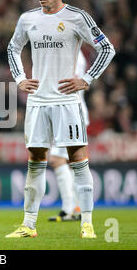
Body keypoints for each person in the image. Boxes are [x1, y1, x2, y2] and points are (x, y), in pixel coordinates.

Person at [5, 0, 115, 239]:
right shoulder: (28, 19)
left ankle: (87, 223)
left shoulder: (77, 17)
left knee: (78, 160)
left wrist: (87, 79)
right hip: (38, 101)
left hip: (67, 100)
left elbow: (107, 48)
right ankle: (28, 225)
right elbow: (12, 48)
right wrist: (20, 78)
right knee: (36, 161)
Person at [48, 50, 89, 222]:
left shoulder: (72, 55)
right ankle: (78, 208)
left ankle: (70, 208)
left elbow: (70, 85)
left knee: (58, 159)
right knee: (73, 162)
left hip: (70, 113)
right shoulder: (74, 54)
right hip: (70, 113)